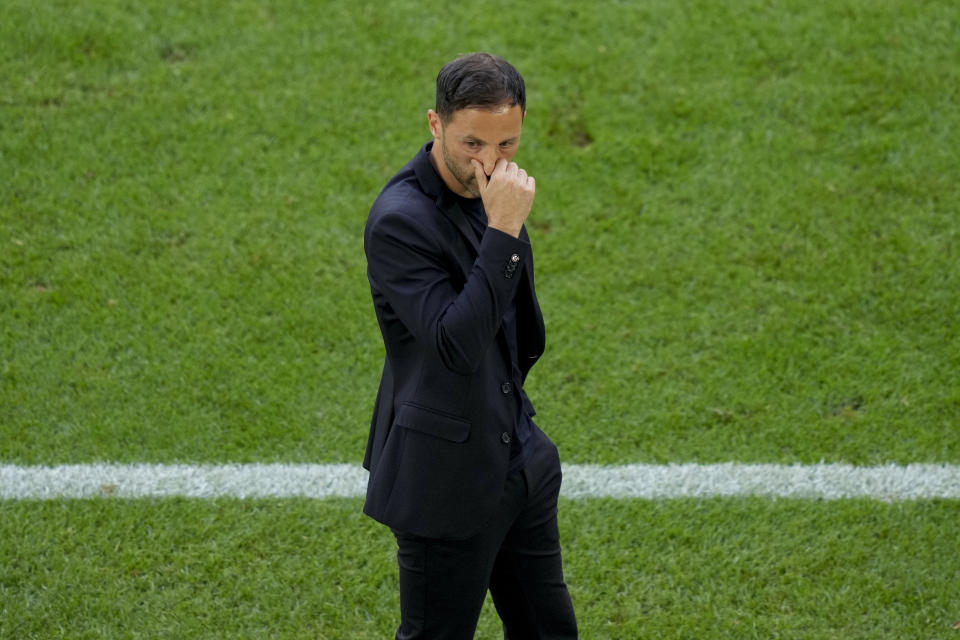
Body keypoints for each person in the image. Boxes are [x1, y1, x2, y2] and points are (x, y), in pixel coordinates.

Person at [362, 52, 578, 639]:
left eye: (506, 144)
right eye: (472, 144)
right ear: (436, 124)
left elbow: (513, 324)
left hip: (518, 458)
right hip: (446, 482)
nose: (489, 161)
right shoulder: (399, 223)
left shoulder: (494, 190)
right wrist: (504, 232)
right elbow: (454, 345)